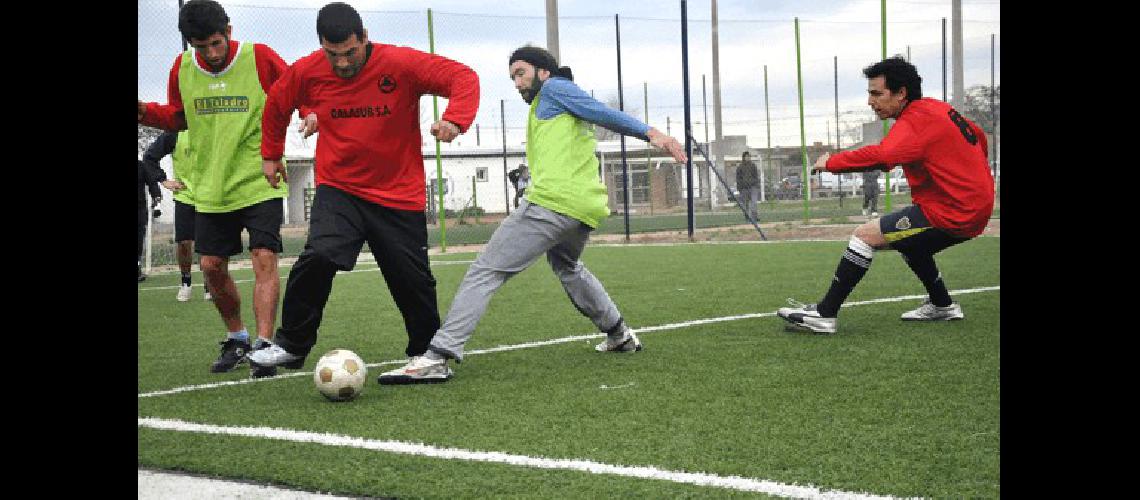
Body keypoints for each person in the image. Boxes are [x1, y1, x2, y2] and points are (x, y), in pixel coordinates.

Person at [370, 45, 687, 384]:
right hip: (582, 209)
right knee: (568, 266)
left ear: (543, 72)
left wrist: (653, 135)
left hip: (552, 204)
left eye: (521, 73)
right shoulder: (549, 104)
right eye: (512, 77)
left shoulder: (555, 89)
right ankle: (619, 334)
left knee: (486, 270)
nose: (517, 82)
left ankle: (437, 356)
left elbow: (601, 112)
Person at [247, 2, 480, 375]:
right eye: (332, 54)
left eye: (349, 53)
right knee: (318, 256)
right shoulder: (307, 70)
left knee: (411, 278)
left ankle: (428, 356)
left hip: (397, 193)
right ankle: (291, 345)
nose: (341, 63)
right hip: (339, 189)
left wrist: (455, 119)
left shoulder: (400, 64)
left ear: (365, 37)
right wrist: (271, 154)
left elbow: (463, 77)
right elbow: (277, 103)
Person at [137, 0, 302, 378]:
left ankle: (263, 348)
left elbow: (297, 86)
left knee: (264, 256)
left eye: (216, 43)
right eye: (201, 47)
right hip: (211, 186)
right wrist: (144, 111)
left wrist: (310, 111)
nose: (211, 54)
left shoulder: (258, 58)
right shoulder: (182, 68)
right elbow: (178, 119)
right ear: (189, 44)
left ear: (228, 31)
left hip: (259, 179)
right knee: (211, 267)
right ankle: (238, 337)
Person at [777, 56, 993, 334]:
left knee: (865, 235)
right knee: (911, 243)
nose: (870, 101)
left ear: (901, 93)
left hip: (955, 209)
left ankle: (824, 314)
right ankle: (942, 305)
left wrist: (830, 163)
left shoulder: (916, 119)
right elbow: (978, 136)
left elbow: (884, 156)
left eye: (877, 93)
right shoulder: (936, 109)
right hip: (974, 206)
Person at [141, 130, 212, 302]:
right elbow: (149, 158)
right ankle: (186, 282)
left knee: (208, 244)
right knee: (184, 243)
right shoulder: (174, 133)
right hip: (184, 197)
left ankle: (209, 285)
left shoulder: (212, 126)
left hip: (210, 197)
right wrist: (164, 180)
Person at [138, 158, 166, 282]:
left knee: (138, 238)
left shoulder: (141, 166)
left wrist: (157, 201)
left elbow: (152, 183)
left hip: (139, 209)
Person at [735, 151, 759, 222]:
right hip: (744, 188)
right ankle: (747, 217)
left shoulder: (753, 166)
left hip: (753, 187)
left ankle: (754, 218)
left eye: (749, 156)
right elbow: (738, 178)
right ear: (743, 157)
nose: (748, 158)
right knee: (745, 205)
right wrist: (739, 188)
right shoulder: (740, 167)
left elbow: (756, 176)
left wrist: (755, 184)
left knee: (754, 202)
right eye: (746, 156)